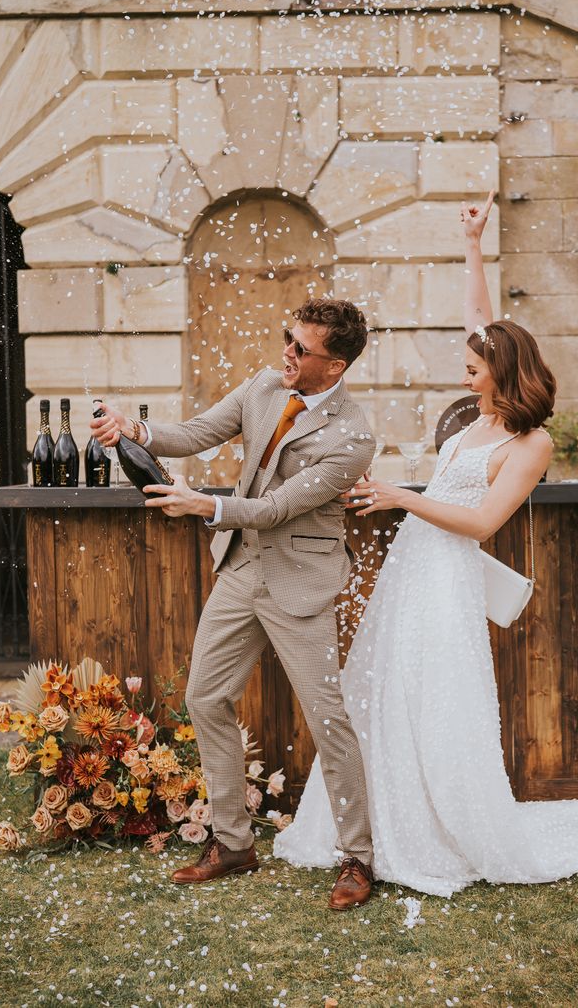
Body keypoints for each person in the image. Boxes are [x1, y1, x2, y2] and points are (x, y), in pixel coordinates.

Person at [274, 193, 578, 896]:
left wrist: (403, 495)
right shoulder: (477, 415)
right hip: (410, 570)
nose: (463, 374)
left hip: (448, 577)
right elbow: (481, 321)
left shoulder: (527, 443)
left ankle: (439, 830)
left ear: (500, 371)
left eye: (473, 367)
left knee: (438, 698)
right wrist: (473, 244)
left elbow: (484, 523)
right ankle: (365, 830)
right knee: (385, 692)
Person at [90, 298, 376, 910]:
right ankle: (233, 843)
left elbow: (277, 508)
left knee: (326, 717)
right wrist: (134, 430)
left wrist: (205, 506)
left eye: (303, 349)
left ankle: (358, 856)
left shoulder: (354, 436)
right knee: (205, 696)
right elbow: (195, 433)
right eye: (287, 339)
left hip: (301, 581)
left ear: (337, 366)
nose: (288, 354)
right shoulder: (265, 386)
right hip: (240, 569)